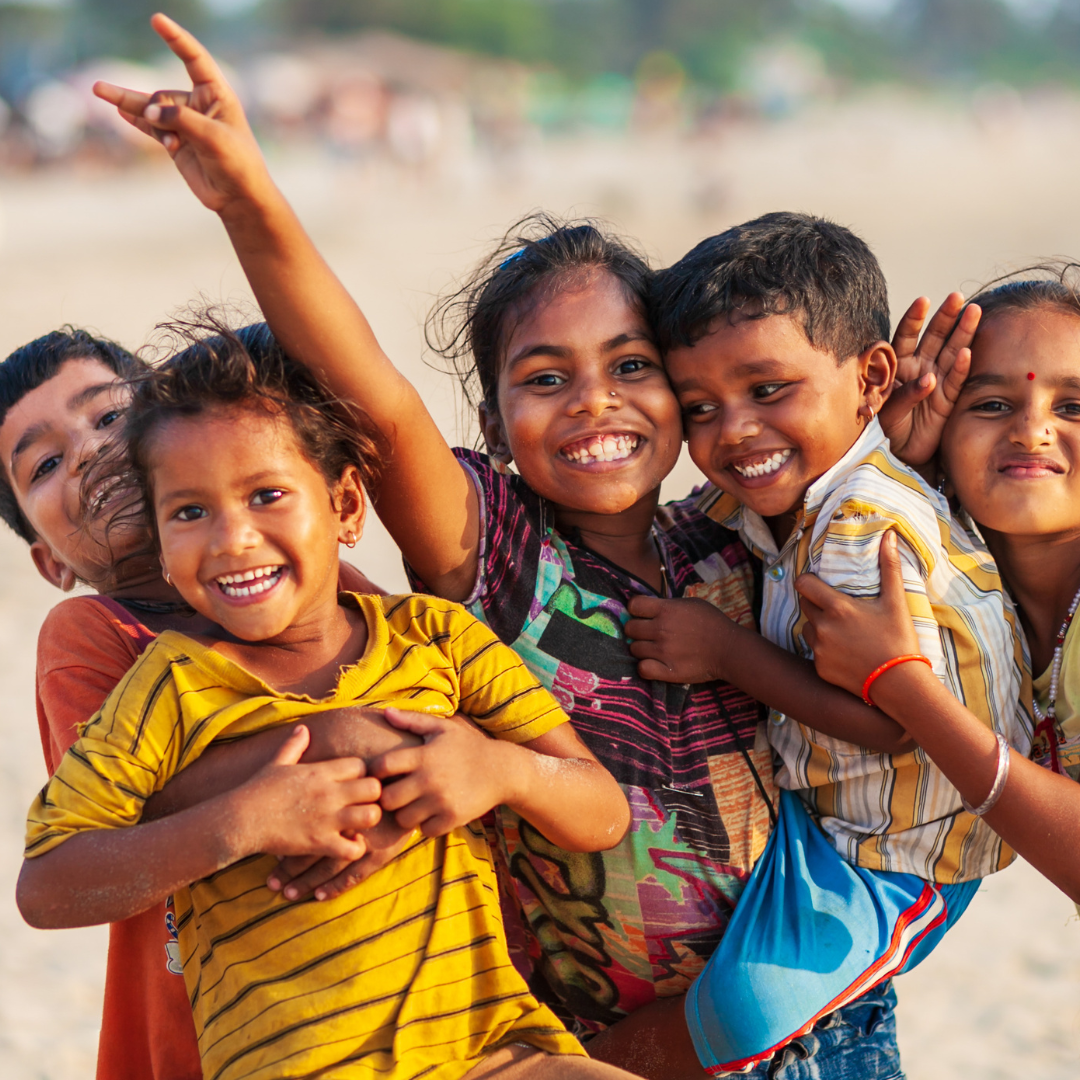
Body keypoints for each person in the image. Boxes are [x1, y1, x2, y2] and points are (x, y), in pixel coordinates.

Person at [91, 21, 931, 1080]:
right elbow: (377, 400)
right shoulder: (496, 556)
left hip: (819, 1029)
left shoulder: (731, 536)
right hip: (609, 1050)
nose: (593, 402)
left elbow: (832, 441)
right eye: (543, 378)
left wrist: (916, 424)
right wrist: (250, 200)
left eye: (631, 365)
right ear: (491, 424)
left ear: (677, 388)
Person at [18, 318, 636, 1080]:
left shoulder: (427, 637)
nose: (234, 537)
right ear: (159, 537)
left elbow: (601, 811)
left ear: (346, 506)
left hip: (492, 1051)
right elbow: (52, 881)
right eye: (189, 511)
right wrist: (247, 818)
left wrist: (497, 772)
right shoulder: (161, 683)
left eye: (267, 494)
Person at [623, 212, 1032, 1073]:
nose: (734, 431)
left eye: (769, 390)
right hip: (833, 813)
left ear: (872, 376)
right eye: (701, 407)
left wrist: (724, 653)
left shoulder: (857, 528)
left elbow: (892, 718)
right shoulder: (796, 485)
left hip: (903, 850)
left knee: (749, 1008)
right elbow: (690, 519)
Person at [0, 327, 390, 1080]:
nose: (86, 451)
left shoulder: (313, 585)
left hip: (395, 999)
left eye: (109, 416)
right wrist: (341, 738)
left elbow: (420, 708)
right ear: (49, 563)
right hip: (207, 1039)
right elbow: (128, 810)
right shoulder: (91, 634)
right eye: (45, 463)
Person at [795, 267, 1080, 905]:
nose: (1031, 430)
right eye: (991, 404)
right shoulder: (955, 566)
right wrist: (882, 453)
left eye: (1074, 407)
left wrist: (901, 684)